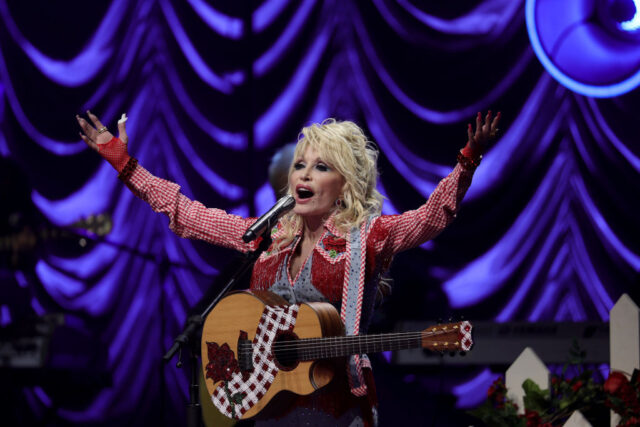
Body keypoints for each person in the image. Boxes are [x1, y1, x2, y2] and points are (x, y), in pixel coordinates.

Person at [76, 110, 500, 426]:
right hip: (271, 405)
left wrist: (468, 161)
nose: (305, 173)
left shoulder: (367, 237)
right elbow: (187, 213)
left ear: (345, 185)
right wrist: (124, 164)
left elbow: (430, 218)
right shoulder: (268, 236)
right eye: (300, 164)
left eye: (321, 166)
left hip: (338, 407)